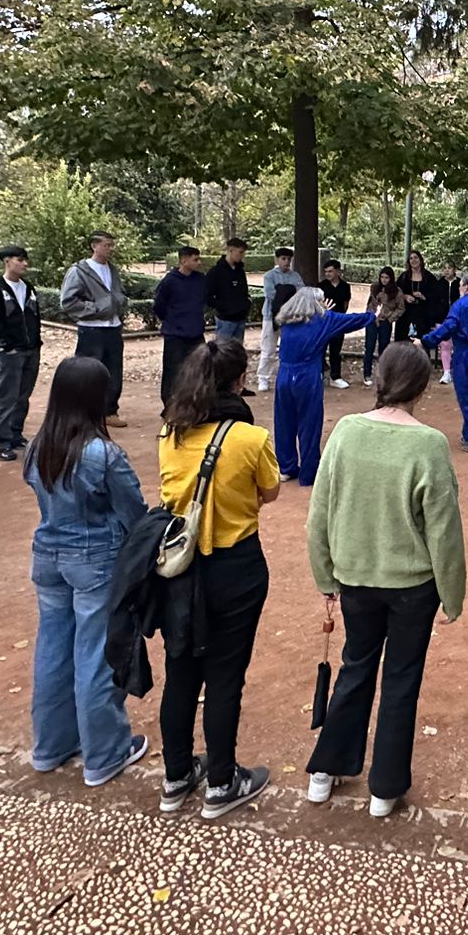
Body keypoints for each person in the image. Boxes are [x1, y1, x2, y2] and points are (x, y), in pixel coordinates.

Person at [305, 344, 467, 816]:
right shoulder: (429, 444)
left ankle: (324, 771)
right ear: (422, 387)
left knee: (356, 668)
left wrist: (324, 575)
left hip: (354, 577)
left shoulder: (346, 432)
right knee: (401, 679)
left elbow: (320, 512)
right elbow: (444, 530)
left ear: (377, 380)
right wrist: (452, 595)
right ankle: (384, 788)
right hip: (413, 586)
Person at [156, 338, 281, 817]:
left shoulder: (170, 432)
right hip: (236, 563)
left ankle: (175, 775)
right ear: (239, 380)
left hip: (180, 570)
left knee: (181, 671)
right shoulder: (251, 439)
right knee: (226, 676)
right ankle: (223, 781)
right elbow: (268, 493)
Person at [25, 356, 151, 788]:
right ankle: (105, 752)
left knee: (53, 650)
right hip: (96, 559)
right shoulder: (103, 453)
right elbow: (134, 512)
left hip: (48, 554)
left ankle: (50, 745)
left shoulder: (39, 443)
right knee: (96, 655)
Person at [272, 288, 374, 484]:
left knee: (284, 422)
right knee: (309, 423)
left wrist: (321, 310)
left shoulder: (286, 321)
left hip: (284, 374)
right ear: (316, 303)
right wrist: (372, 315)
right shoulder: (324, 320)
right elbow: (350, 321)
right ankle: (308, 473)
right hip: (307, 376)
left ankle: (286, 468)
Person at [0, 244, 43, 462]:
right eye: (20, 259)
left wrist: (36, 342)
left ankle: (15, 434)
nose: (25, 263)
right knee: (7, 396)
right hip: (11, 352)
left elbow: (35, 317)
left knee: (23, 395)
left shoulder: (28, 287)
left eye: (25, 259)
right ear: (7, 261)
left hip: (31, 350)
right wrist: (6, 345)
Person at [423, 274, 468, 454]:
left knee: (466, 397)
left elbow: (448, 328)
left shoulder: (460, 305)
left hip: (465, 353)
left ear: (464, 286)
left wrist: (426, 340)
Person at [62, 233, 130, 422]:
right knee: (88, 372)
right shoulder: (79, 271)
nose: (111, 249)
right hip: (91, 329)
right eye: (107, 245)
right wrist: (96, 309)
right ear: (94, 246)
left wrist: (120, 302)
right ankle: (83, 413)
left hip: (113, 328)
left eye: (111, 245)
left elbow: (118, 293)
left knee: (113, 372)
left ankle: (109, 411)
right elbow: (68, 301)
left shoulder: (112, 269)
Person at [153, 245, 210, 408]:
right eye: (195, 259)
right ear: (183, 260)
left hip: (196, 332)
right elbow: (159, 305)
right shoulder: (169, 281)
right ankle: (170, 405)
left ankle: (196, 403)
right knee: (173, 371)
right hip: (175, 334)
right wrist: (172, 320)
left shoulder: (200, 280)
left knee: (199, 369)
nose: (199, 263)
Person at [257, 247, 306, 393]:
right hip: (270, 316)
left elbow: (301, 293)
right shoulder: (269, 276)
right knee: (268, 348)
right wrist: (289, 292)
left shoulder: (295, 276)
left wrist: (284, 291)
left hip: (291, 317)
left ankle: (289, 377)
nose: (286, 262)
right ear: (277, 260)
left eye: (288, 259)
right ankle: (263, 377)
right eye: (283, 259)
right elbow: (271, 294)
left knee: (290, 347)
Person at [362, 267, 405, 384]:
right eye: (382, 277)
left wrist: (390, 318)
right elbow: (370, 303)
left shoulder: (397, 292)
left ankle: (382, 374)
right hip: (372, 321)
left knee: (384, 348)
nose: (384, 280)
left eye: (386, 277)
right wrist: (370, 315)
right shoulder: (375, 288)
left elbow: (401, 308)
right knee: (369, 347)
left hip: (385, 322)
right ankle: (367, 374)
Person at [205, 237, 252, 344]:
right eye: (240, 252)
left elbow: (244, 291)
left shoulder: (240, 271)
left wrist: (246, 303)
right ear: (230, 250)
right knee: (222, 351)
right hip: (225, 319)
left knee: (237, 351)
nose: (242, 256)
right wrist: (223, 307)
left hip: (240, 317)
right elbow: (207, 295)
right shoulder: (216, 272)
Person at [318, 260, 355, 389]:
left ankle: (335, 376)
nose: (327, 274)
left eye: (330, 271)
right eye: (326, 271)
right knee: (320, 349)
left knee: (336, 350)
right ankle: (319, 374)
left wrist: (341, 318)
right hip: (323, 322)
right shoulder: (321, 286)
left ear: (338, 271)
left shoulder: (345, 286)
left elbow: (345, 304)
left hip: (338, 322)